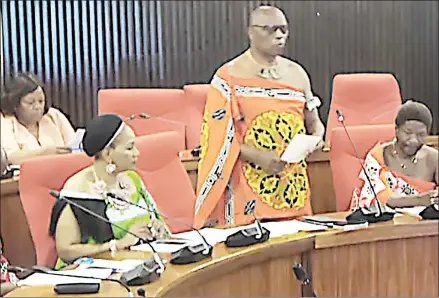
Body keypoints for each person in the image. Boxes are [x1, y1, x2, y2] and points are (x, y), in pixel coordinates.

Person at [194, 6, 325, 228]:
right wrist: (258, 156)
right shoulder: (228, 77)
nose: (279, 35)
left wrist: (315, 140)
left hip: (292, 186)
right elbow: (217, 138)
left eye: (283, 29)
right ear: (251, 32)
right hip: (246, 187)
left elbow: (315, 123)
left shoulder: (298, 74)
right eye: (270, 29)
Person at [49, 114, 169, 269]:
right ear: (107, 154)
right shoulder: (79, 191)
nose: (137, 153)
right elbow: (66, 250)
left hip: (141, 263)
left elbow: (158, 222)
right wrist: (117, 244)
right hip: (95, 272)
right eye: (129, 148)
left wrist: (157, 228)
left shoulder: (133, 179)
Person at [350, 100, 438, 209]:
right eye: (408, 132)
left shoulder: (434, 158)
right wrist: (419, 200)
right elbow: (374, 200)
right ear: (396, 130)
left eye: (421, 135)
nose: (414, 140)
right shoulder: (378, 156)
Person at [1, 72, 74, 165]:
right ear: (15, 105)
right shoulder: (6, 123)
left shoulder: (54, 116)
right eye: (31, 102)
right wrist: (44, 153)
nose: (37, 106)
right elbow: (10, 158)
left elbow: (74, 145)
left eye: (41, 101)